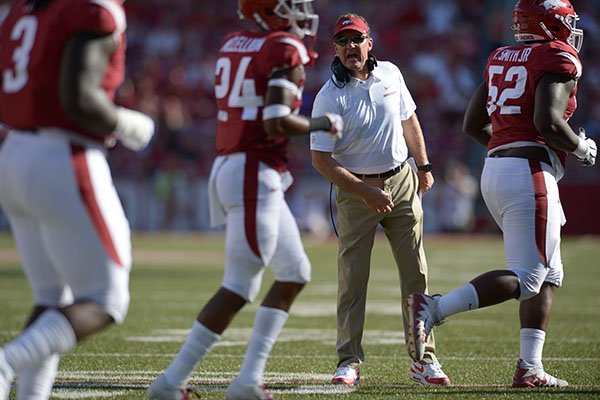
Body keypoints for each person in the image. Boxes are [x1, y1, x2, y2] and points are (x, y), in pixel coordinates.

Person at [147, 1, 342, 399]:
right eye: (292, 4)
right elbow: (275, 121)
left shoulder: (236, 42)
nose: (301, 12)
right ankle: (169, 384)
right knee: (239, 285)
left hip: (239, 166)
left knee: (294, 272)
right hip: (254, 170)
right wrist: (324, 123)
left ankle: (248, 381)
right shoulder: (283, 47)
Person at [407, 0, 596, 388]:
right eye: (566, 22)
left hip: (498, 167)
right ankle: (434, 308)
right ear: (549, 24)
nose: (572, 29)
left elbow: (472, 122)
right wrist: (581, 148)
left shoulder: (502, 56)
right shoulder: (557, 57)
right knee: (530, 277)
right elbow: (548, 122)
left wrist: (505, 149)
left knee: (549, 274)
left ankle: (530, 367)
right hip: (529, 170)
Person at [0, 0, 155, 399]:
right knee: (106, 299)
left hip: (15, 150)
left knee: (51, 298)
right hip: (64, 155)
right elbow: (80, 100)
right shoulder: (93, 8)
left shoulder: (25, 8)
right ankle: (6, 362)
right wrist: (127, 124)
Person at [310, 13, 450, 387]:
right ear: (334, 49)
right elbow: (320, 159)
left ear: (370, 42)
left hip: (401, 179)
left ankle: (424, 359)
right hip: (357, 191)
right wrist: (363, 190)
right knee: (353, 280)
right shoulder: (328, 96)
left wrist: (424, 165)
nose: (350, 47)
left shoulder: (391, 73)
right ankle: (348, 361)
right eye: (342, 41)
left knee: (415, 274)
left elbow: (410, 121)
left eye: (356, 39)